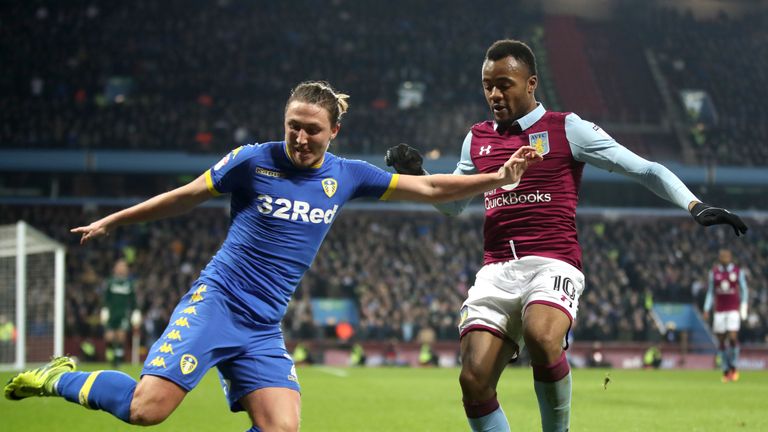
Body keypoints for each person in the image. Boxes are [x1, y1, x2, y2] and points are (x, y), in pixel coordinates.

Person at [4, 80, 541, 432]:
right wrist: (113, 219)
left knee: (282, 428)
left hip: (263, 324)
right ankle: (57, 377)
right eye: (293, 127)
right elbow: (184, 197)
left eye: (313, 130)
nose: (301, 138)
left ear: (334, 131)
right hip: (218, 302)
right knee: (147, 410)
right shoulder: (252, 161)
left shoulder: (347, 174)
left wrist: (496, 177)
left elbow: (428, 190)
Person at [385, 39, 748, 432]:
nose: (494, 93)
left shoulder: (566, 128)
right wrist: (418, 176)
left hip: (552, 262)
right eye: (488, 84)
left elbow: (645, 169)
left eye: (504, 83)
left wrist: (694, 205)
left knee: (542, 336)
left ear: (531, 83)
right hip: (496, 271)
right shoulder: (476, 139)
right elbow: (453, 204)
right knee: (472, 381)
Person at [702, 248, 748, 382]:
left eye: (726, 256)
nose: (724, 259)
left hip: (733, 309)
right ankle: (725, 369)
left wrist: (744, 305)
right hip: (719, 311)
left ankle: (734, 366)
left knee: (733, 337)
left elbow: (744, 289)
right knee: (721, 340)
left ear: (730, 257)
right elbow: (711, 292)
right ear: (719, 258)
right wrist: (706, 308)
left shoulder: (737, 271)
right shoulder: (714, 273)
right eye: (722, 256)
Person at [101, 259, 141, 367]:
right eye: (119, 266)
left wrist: (136, 312)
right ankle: (111, 356)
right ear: (115, 268)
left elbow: (133, 300)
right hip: (111, 313)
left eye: (123, 266)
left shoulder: (129, 284)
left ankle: (117, 361)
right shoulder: (110, 282)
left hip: (123, 314)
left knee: (121, 336)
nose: (121, 268)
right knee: (109, 337)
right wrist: (104, 309)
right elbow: (105, 298)